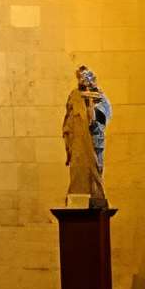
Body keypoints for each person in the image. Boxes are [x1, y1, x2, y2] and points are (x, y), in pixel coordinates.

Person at [62, 64, 111, 208]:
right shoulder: (74, 95)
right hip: (78, 140)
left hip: (94, 138)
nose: (84, 80)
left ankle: (97, 195)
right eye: (81, 77)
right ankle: (78, 196)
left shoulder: (99, 96)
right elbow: (68, 117)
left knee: (96, 168)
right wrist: (69, 135)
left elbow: (106, 113)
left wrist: (94, 115)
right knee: (78, 169)